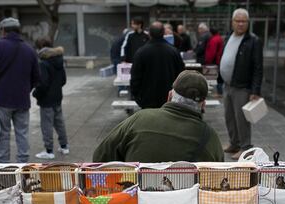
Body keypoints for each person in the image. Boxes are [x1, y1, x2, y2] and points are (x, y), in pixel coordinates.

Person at [93, 70, 224, 163]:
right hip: (184, 201)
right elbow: (217, 177)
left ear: (170, 96)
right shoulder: (210, 138)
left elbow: (100, 156)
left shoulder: (139, 119)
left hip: (137, 199)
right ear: (203, 105)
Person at [0, 17, 40, 163]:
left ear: (3, 30)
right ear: (18, 31)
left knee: (3, 135)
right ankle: (23, 168)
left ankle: (3, 169)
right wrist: (25, 90)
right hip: (22, 100)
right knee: (22, 134)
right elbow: (37, 78)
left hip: (1, 100)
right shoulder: (29, 49)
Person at [219, 8, 263, 160]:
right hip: (228, 85)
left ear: (248, 23)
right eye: (237, 21)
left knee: (241, 119)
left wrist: (255, 90)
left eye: (243, 21)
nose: (240, 24)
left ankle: (245, 148)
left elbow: (258, 67)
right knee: (229, 117)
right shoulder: (228, 37)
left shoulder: (253, 40)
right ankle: (234, 143)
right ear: (232, 22)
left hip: (243, 87)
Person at [130, 21, 184, 109]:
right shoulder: (173, 51)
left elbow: (135, 77)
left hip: (147, 101)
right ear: (163, 33)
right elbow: (181, 75)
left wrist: (138, 98)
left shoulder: (141, 52)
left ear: (149, 34)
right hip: (169, 100)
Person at [32, 37, 69, 160]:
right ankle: (64, 146)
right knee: (59, 122)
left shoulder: (43, 63)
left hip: (46, 99)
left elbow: (42, 84)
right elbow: (63, 80)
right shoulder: (59, 60)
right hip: (57, 97)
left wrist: (36, 93)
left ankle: (49, 150)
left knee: (46, 124)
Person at [205, 28, 224, 96]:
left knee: (217, 77)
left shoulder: (214, 39)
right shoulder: (219, 38)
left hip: (216, 61)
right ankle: (220, 92)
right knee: (219, 77)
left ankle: (219, 92)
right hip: (219, 59)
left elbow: (212, 52)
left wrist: (208, 60)